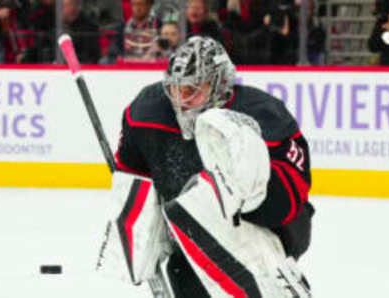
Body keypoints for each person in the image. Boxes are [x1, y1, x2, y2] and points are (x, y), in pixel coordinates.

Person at [113, 36, 314, 297]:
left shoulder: (262, 113)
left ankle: (279, 285)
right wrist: (139, 232)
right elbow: (133, 176)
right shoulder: (146, 112)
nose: (180, 100)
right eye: (175, 89)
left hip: (273, 227)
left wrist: (245, 193)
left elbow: (291, 196)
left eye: (193, 90)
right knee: (182, 270)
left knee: (249, 270)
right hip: (193, 231)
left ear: (220, 85)